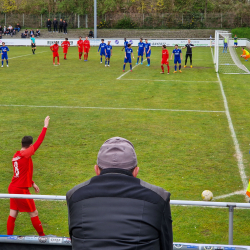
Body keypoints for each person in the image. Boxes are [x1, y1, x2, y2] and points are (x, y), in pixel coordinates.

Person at [66, 137, 173, 250]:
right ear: (136, 171)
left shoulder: (74, 195)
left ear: (96, 170)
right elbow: (166, 245)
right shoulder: (159, 198)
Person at [7, 116, 50, 236]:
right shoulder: (26, 154)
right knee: (34, 213)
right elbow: (39, 141)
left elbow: (21, 172)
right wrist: (45, 126)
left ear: (21, 143)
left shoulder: (16, 155)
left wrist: (32, 182)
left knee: (13, 213)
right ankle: (42, 237)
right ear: (30, 145)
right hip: (20, 189)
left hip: (13, 187)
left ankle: (8, 239)